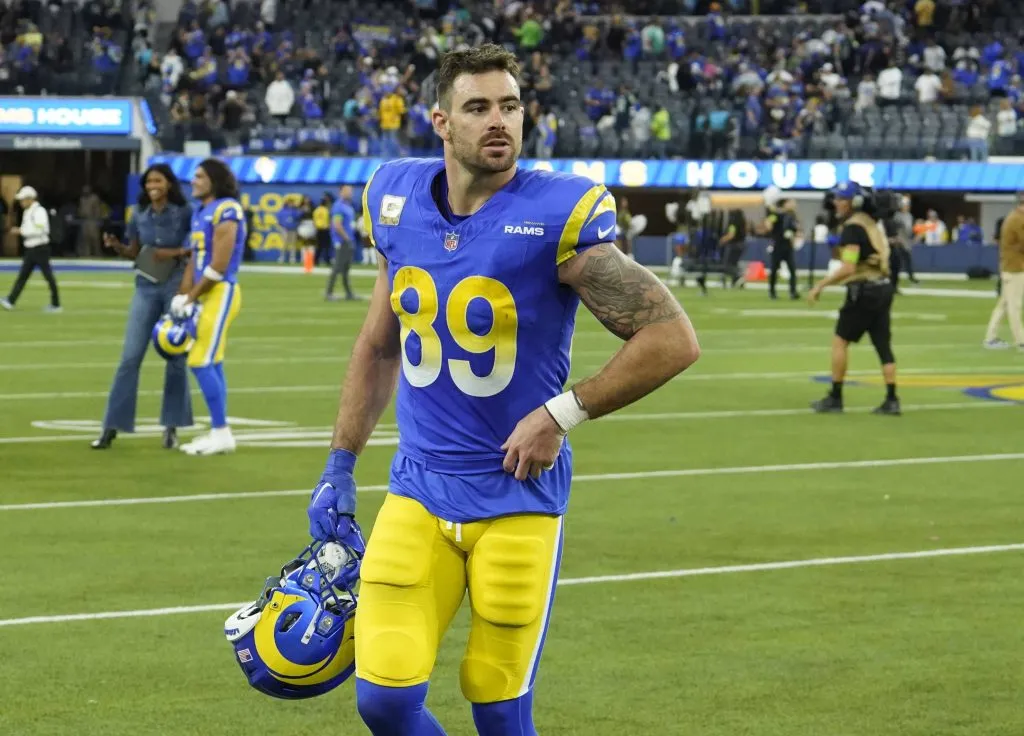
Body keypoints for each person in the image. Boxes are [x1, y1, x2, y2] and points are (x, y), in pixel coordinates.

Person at [304, 45, 701, 736]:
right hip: (418, 491)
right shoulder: (395, 198)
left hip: (517, 496)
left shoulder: (555, 212)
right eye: (479, 107)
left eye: (511, 106)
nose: (500, 122)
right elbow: (378, 342)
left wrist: (562, 412)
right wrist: (339, 464)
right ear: (440, 121)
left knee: (497, 705)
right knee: (384, 702)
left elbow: (672, 337)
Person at [92, 164, 194, 450]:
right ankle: (111, 426)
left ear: (169, 184)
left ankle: (171, 427)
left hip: (175, 286)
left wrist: (168, 253)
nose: (152, 184)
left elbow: (193, 249)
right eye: (149, 181)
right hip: (146, 285)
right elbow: (136, 251)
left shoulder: (184, 213)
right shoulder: (138, 214)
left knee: (175, 357)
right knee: (129, 357)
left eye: (158, 180)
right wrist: (118, 247)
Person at [170, 158, 247, 455]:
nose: (194, 180)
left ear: (214, 179)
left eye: (200, 176)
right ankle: (220, 429)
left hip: (221, 291)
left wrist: (191, 297)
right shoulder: (201, 211)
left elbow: (219, 264)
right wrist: (183, 294)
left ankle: (221, 431)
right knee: (212, 361)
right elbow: (195, 258)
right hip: (206, 292)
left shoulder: (228, 209)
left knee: (200, 360)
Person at [808, 182, 900, 415]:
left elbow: (848, 267)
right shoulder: (873, 224)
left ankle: (836, 396)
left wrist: (821, 284)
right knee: (883, 345)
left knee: (840, 341)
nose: (837, 203)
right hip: (883, 288)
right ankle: (892, 398)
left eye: (842, 199)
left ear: (855, 202)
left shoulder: (853, 227)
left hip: (864, 291)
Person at [0, 186, 61, 313]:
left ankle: (56, 304)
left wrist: (21, 231)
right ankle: (11, 300)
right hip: (31, 249)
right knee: (23, 276)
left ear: (30, 199)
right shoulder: (29, 211)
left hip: (39, 248)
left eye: (23, 200)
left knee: (48, 276)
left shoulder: (39, 212)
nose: (21, 202)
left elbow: (41, 230)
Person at [982, 191, 1024, 350]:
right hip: (1015, 268)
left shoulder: (1014, 217)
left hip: (1011, 266)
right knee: (1015, 305)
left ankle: (991, 337)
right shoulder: (1018, 220)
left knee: (1005, 304)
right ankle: (1020, 341)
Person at [763, 197, 800, 300]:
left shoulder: (792, 217)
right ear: (785, 204)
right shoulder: (777, 215)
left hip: (788, 246)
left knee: (792, 270)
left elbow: (795, 230)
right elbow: (768, 224)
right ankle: (772, 292)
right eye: (791, 202)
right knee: (774, 270)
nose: (793, 204)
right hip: (778, 245)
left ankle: (793, 292)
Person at [325, 184, 357, 301]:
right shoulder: (338, 206)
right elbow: (337, 224)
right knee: (338, 267)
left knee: (345, 268)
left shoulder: (348, 206)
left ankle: (349, 293)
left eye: (350, 190)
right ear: (341, 192)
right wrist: (346, 238)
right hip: (342, 241)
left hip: (348, 239)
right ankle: (328, 292)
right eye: (347, 190)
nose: (349, 193)